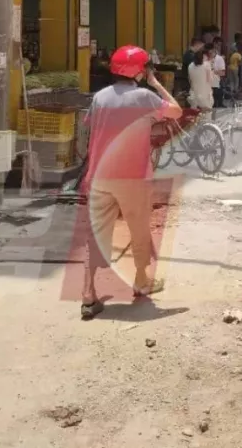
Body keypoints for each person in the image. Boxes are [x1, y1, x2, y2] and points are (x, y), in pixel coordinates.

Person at [79, 46, 183, 320]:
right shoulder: (144, 97)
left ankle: (88, 294)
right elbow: (176, 111)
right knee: (138, 229)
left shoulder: (100, 97)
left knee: (96, 235)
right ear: (140, 71)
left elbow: (90, 129)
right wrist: (156, 83)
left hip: (100, 176)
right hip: (133, 176)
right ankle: (140, 281)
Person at [210, 44, 227, 108]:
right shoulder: (206, 59)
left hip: (216, 83)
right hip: (208, 84)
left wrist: (213, 71)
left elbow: (222, 73)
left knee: (215, 102)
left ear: (214, 51)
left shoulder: (219, 59)